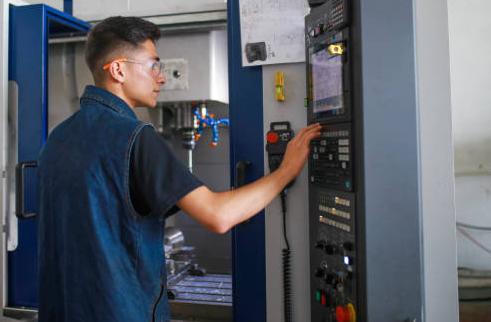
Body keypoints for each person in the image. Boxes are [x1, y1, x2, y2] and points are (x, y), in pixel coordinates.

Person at [37, 16, 321, 322]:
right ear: (118, 69)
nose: (161, 78)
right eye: (153, 66)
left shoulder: (58, 138)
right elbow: (218, 215)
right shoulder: (136, 138)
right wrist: (286, 171)